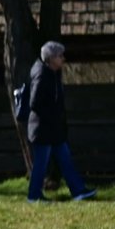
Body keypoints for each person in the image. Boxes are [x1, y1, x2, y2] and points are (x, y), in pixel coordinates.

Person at [26, 41, 96, 202]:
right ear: (50, 58)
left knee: (65, 159)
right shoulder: (42, 75)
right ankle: (34, 195)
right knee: (41, 165)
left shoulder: (53, 73)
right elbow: (35, 103)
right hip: (43, 128)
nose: (63, 59)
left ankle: (78, 191)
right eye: (60, 56)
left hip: (53, 128)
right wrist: (52, 116)